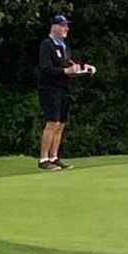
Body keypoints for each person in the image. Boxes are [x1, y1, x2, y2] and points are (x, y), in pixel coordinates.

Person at [37, 13, 95, 171]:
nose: (66, 28)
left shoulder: (63, 45)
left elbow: (70, 67)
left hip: (64, 88)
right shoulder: (47, 45)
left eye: (66, 26)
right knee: (52, 122)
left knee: (61, 124)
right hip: (50, 89)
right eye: (63, 26)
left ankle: (54, 157)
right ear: (55, 27)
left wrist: (84, 69)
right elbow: (46, 69)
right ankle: (44, 159)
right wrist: (66, 71)